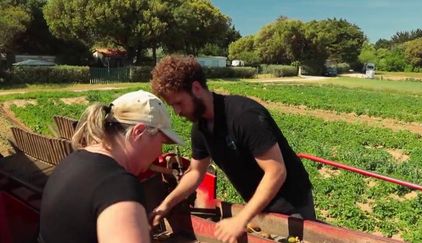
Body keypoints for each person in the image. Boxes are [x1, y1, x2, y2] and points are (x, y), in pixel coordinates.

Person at [150, 55, 316, 243]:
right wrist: (167, 204)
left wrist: (241, 219)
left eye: (179, 103)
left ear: (196, 88)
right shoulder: (201, 130)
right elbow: (196, 172)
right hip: (260, 205)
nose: (178, 112)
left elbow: (276, 172)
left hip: (292, 205)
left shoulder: (243, 116)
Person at [38, 90, 184, 243]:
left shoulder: (70, 163)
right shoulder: (119, 187)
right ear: (139, 132)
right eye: (161, 142)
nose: (160, 151)